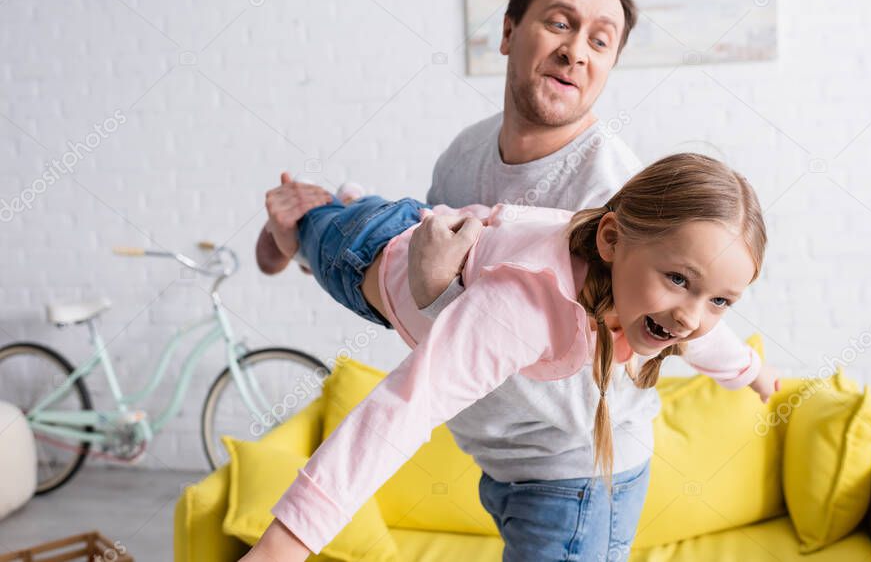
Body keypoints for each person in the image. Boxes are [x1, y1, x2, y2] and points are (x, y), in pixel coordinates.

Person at [251, 0, 780, 561]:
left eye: (601, 42)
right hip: (394, 284)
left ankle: (307, 225)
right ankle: (303, 227)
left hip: (568, 474)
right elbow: (419, 278)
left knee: (346, 231)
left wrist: (751, 372)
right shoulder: (468, 154)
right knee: (349, 234)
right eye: (560, 23)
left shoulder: (623, 207)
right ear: (508, 31)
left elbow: (649, 353)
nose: (577, 50)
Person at [241, 152, 781, 561]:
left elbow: (703, 337)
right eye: (679, 279)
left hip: (429, 226)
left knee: (357, 210)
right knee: (316, 226)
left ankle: (338, 205)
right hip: (364, 256)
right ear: (612, 240)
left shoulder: (656, 302)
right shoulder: (522, 306)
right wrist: (284, 544)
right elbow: (404, 410)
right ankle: (299, 225)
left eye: (719, 300)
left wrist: (753, 374)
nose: (691, 314)